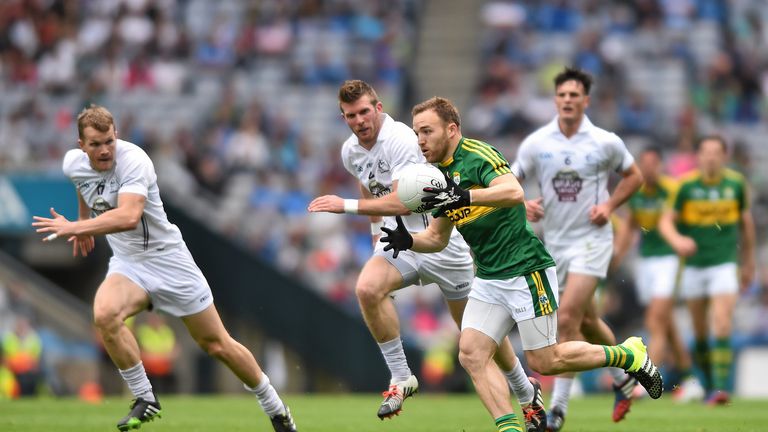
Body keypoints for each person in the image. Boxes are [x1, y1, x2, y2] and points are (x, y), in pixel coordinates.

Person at [380, 96, 662, 432]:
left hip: (526, 271)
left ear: (452, 129)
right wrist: (410, 241)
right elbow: (439, 237)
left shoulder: (477, 155)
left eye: (427, 131)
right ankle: (510, 428)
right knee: (471, 354)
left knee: (546, 360)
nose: (420, 140)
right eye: (416, 133)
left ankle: (627, 354)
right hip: (487, 279)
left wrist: (465, 195)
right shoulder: (433, 177)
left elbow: (513, 192)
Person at [32, 105, 297, 432]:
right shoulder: (72, 163)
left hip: (169, 261)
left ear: (116, 137)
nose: (104, 150)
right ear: (81, 145)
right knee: (104, 315)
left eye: (109, 141)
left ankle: (275, 406)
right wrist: (83, 219)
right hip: (129, 263)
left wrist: (78, 227)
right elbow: (83, 184)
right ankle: (145, 397)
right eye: (96, 144)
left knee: (216, 344)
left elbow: (129, 216)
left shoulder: (135, 161)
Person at [308, 80, 546, 431]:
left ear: (378, 108)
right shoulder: (350, 152)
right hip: (404, 242)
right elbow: (367, 182)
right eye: (349, 116)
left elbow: (403, 200)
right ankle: (402, 377)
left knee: (478, 337)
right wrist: (377, 235)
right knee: (367, 289)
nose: (358, 121)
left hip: (442, 243)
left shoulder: (401, 139)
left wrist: (344, 206)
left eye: (363, 112)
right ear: (343, 117)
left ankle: (526, 392)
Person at [510, 67, 644, 429]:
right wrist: (523, 203)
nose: (568, 100)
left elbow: (635, 176)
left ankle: (558, 410)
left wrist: (610, 207)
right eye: (562, 95)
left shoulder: (604, 141)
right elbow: (507, 181)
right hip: (553, 245)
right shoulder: (537, 143)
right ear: (555, 100)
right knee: (586, 320)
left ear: (586, 100)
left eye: (574, 95)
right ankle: (624, 375)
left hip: (592, 241)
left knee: (565, 320)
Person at [658, 135, 756, 405]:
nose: (711, 157)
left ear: (724, 156)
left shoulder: (736, 184)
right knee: (700, 332)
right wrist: (678, 240)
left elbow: (747, 225)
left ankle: (720, 388)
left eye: (716, 152)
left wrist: (749, 263)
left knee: (722, 321)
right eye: (706, 152)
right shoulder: (686, 186)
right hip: (693, 267)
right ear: (698, 156)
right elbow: (665, 221)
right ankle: (710, 385)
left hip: (724, 264)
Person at [613, 147, 700, 398]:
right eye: (645, 163)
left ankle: (648, 378)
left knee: (654, 320)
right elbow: (630, 225)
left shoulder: (673, 190)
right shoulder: (636, 190)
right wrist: (618, 254)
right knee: (666, 322)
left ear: (661, 165)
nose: (649, 168)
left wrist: (684, 242)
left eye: (653, 163)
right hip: (646, 262)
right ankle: (691, 379)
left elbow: (683, 220)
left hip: (670, 260)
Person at [136, 313, 179, 394]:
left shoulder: (167, 331)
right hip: (149, 368)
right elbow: (143, 352)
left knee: (171, 383)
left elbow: (174, 351)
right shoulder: (144, 331)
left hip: (165, 367)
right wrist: (160, 356)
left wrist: (159, 357)